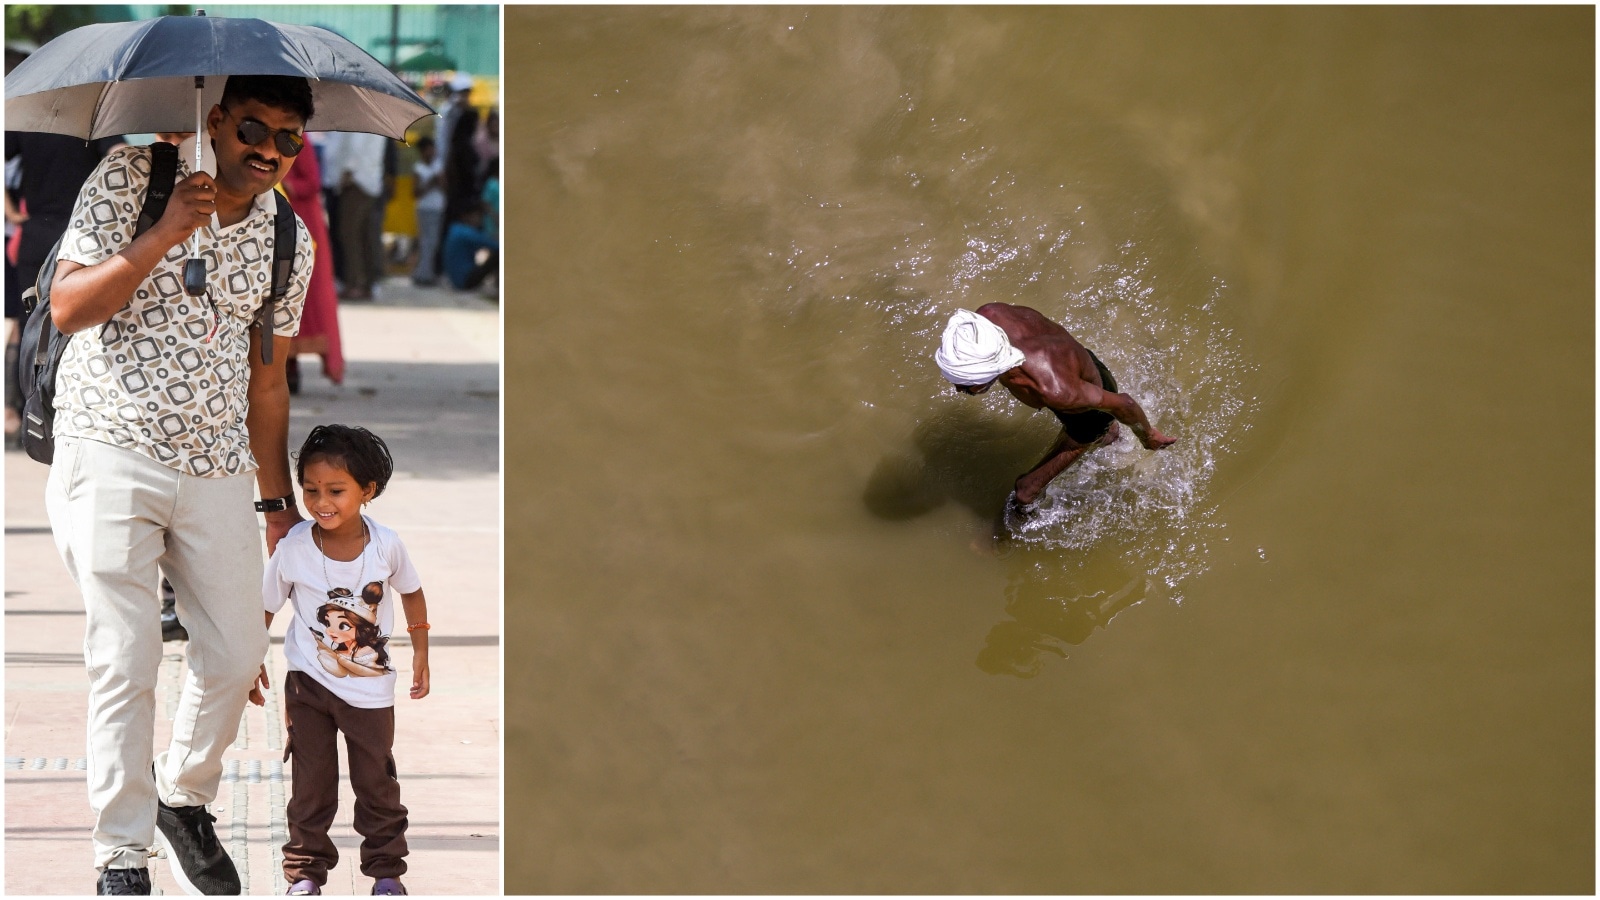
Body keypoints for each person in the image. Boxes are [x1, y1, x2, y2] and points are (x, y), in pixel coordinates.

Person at [43, 74, 315, 895]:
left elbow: (268, 383)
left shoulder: (287, 239)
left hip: (218, 466)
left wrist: (278, 506)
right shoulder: (131, 179)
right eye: (254, 131)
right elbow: (66, 308)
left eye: (289, 141)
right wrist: (166, 231)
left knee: (235, 652)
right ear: (215, 119)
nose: (268, 151)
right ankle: (120, 856)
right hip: (108, 444)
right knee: (125, 658)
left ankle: (181, 797)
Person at [253, 424, 430, 897]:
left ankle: (387, 873)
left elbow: (412, 593)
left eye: (335, 490)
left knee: (376, 782)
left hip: (370, 692)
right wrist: (251, 659)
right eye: (310, 490)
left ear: (366, 491)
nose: (320, 502)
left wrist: (421, 653)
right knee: (310, 784)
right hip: (307, 687)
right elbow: (266, 607)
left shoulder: (386, 544)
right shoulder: (292, 547)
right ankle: (305, 873)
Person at [935, 304, 1176, 509]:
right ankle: (1112, 438)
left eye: (967, 385)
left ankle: (1006, 542)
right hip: (1079, 365)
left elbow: (1124, 402)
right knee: (1105, 435)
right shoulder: (987, 319)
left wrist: (1149, 437)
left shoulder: (1053, 389)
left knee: (1025, 492)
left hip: (1085, 406)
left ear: (992, 368)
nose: (959, 390)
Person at [279, 131, 345, 388]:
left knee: (299, 292)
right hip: (274, 214)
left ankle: (290, 367)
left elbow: (313, 182)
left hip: (299, 220)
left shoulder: (298, 139)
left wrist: (284, 184)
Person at [409, 137, 444, 286]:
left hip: (438, 207)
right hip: (424, 208)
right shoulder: (418, 168)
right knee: (425, 242)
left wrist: (438, 181)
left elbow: (445, 185)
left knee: (433, 242)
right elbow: (415, 192)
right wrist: (430, 183)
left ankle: (425, 272)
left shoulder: (438, 166)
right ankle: (423, 274)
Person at [442, 205, 498, 291]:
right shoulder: (467, 233)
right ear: (467, 216)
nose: (480, 220)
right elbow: (495, 245)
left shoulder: (455, 228)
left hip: (456, 279)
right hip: (465, 280)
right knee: (498, 254)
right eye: (478, 216)